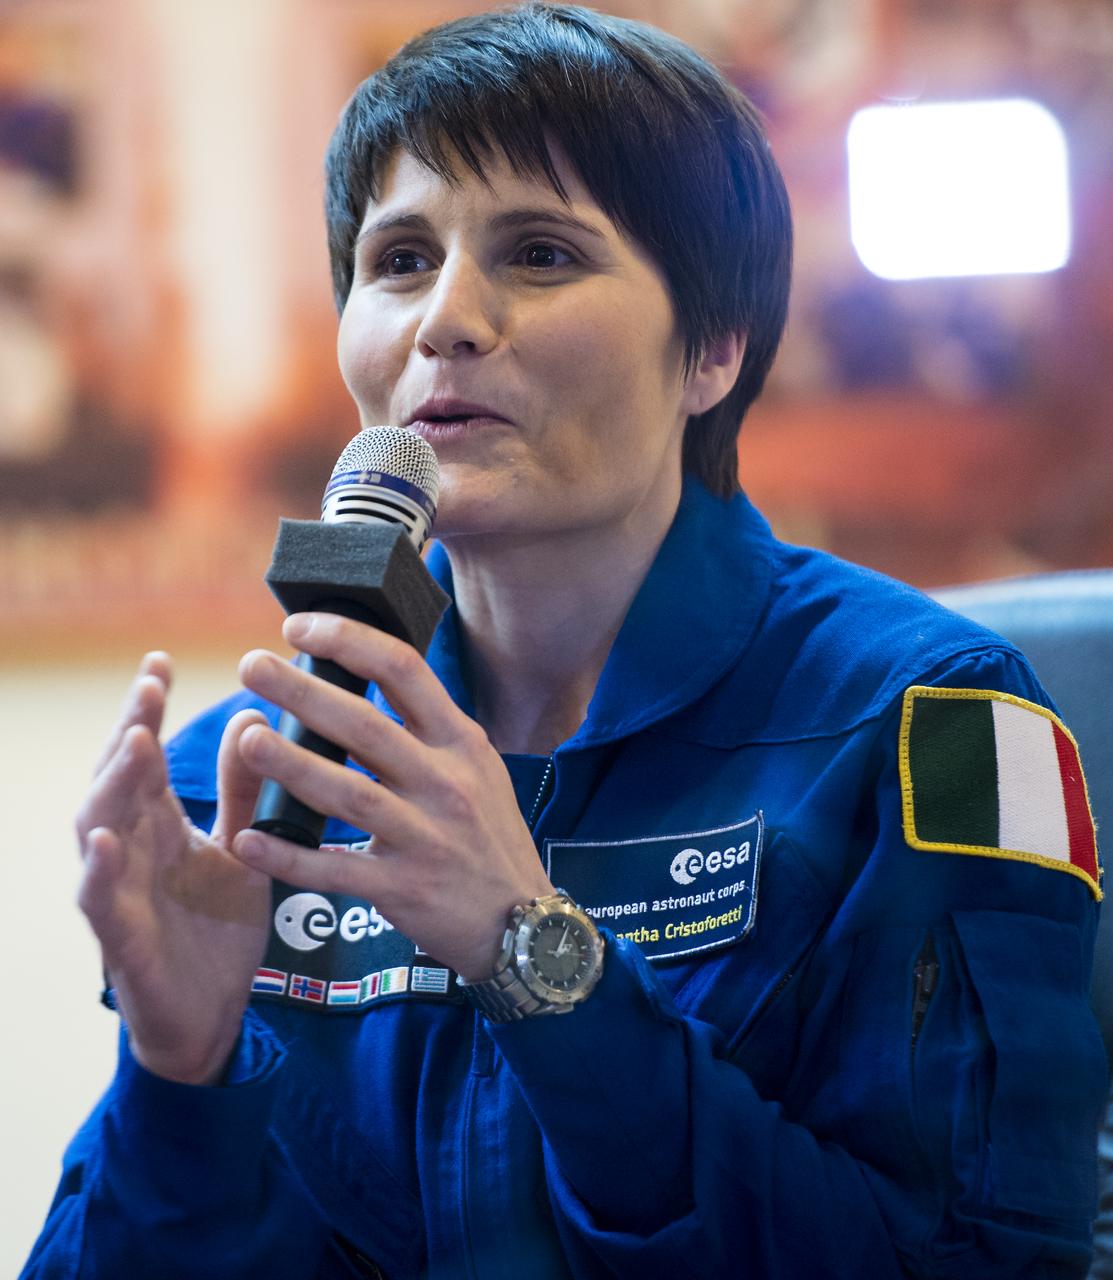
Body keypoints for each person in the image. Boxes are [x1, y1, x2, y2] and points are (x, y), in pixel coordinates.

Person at [23, 4, 1107, 1276]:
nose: (445, 320)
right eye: (401, 259)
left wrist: (537, 959)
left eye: (539, 253)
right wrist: (181, 1068)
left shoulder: (936, 720)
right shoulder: (256, 783)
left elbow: (980, 1260)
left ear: (711, 350)